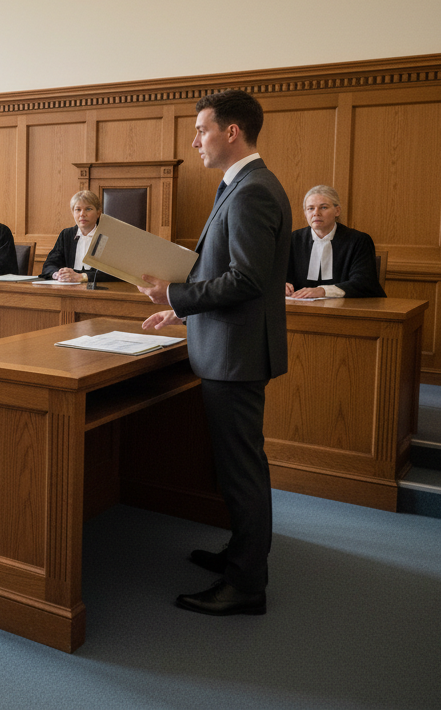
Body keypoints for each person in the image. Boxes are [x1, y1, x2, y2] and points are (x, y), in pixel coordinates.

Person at [138, 89, 291, 617]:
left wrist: (175, 295)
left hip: (237, 353)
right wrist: (180, 312)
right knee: (236, 467)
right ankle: (241, 556)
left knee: (242, 470)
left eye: (202, 129)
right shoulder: (242, 184)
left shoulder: (252, 190)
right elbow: (222, 272)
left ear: (232, 132)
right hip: (229, 345)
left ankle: (247, 584)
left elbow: (246, 279)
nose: (196, 140)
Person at [286, 185, 386, 299]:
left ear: (337, 211)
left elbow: (364, 283)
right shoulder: (293, 239)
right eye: (310, 208)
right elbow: (279, 275)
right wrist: (283, 285)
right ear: (305, 213)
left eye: (323, 207)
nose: (316, 213)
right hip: (301, 309)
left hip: (347, 310)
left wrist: (323, 291)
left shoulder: (358, 240)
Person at [40, 190, 121, 284]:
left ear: (98, 213)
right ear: (73, 213)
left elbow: (114, 272)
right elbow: (49, 264)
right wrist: (57, 274)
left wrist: (82, 276)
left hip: (99, 290)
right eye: (78, 209)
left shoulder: (107, 236)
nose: (82, 214)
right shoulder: (66, 235)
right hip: (68, 288)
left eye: (88, 209)